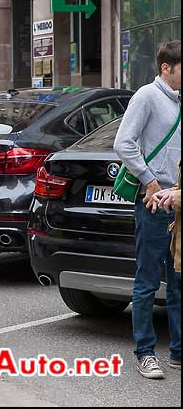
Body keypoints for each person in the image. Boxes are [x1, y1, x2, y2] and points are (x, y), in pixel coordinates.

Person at [114, 40, 181, 379]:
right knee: (147, 281)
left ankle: (178, 351)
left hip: (178, 203)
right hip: (155, 204)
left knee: (179, 280)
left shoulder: (180, 101)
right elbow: (123, 142)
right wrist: (150, 181)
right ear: (166, 68)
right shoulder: (146, 96)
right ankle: (145, 352)